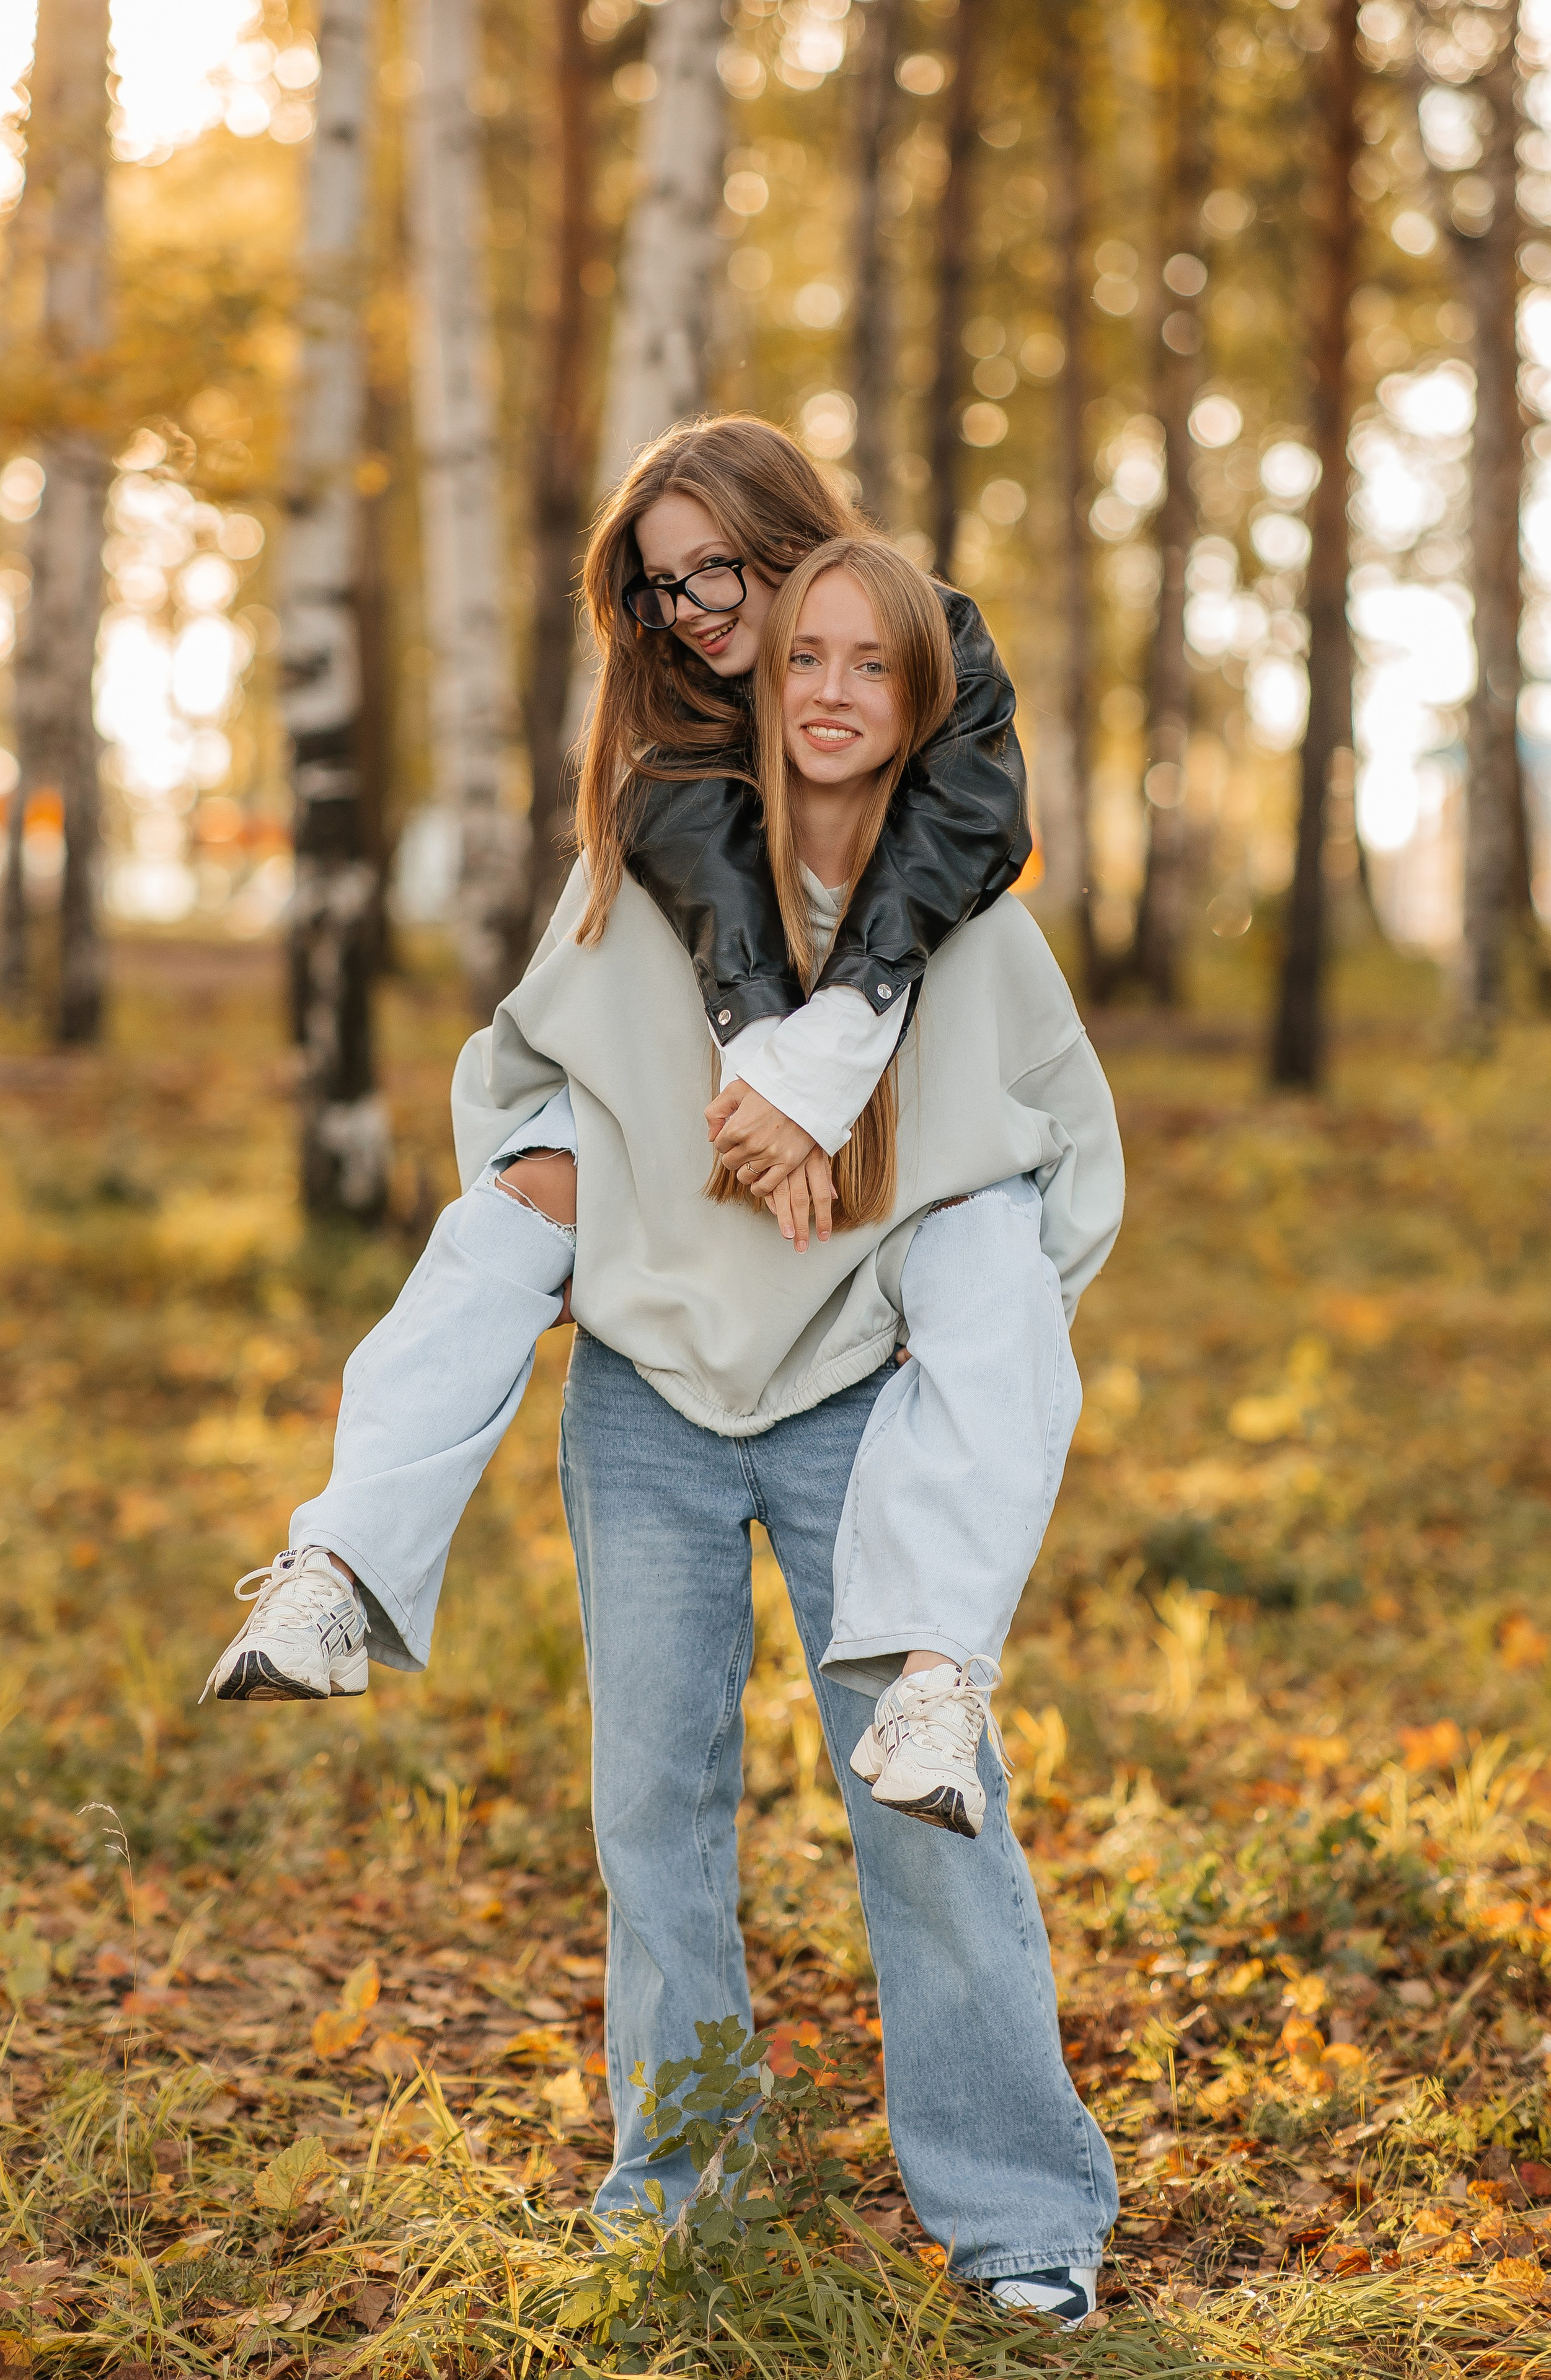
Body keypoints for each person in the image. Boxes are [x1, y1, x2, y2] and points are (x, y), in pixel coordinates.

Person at [444, 532, 1122, 2324]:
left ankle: (1021, 2224)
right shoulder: (642, 875)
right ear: (750, 681)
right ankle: (682, 2183)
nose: (825, 693)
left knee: (929, 1803)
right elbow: (512, 1089)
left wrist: (962, 1334)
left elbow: (1068, 1161)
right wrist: (574, 1239)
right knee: (654, 1815)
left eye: (866, 668)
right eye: (794, 660)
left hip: (854, 1412)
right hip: (652, 1412)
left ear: (919, 703)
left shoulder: (969, 925)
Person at [203, 421, 1029, 1743]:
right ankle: (336, 1567)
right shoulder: (664, 745)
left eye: (715, 573)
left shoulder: (925, 649)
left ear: (786, 544)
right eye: (658, 588)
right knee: (515, 1209)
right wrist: (778, 1086)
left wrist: (822, 1070)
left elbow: (963, 832)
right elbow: (729, 938)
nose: (685, 614)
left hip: (895, 1109)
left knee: (992, 1275)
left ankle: (940, 1667)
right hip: (641, 1069)